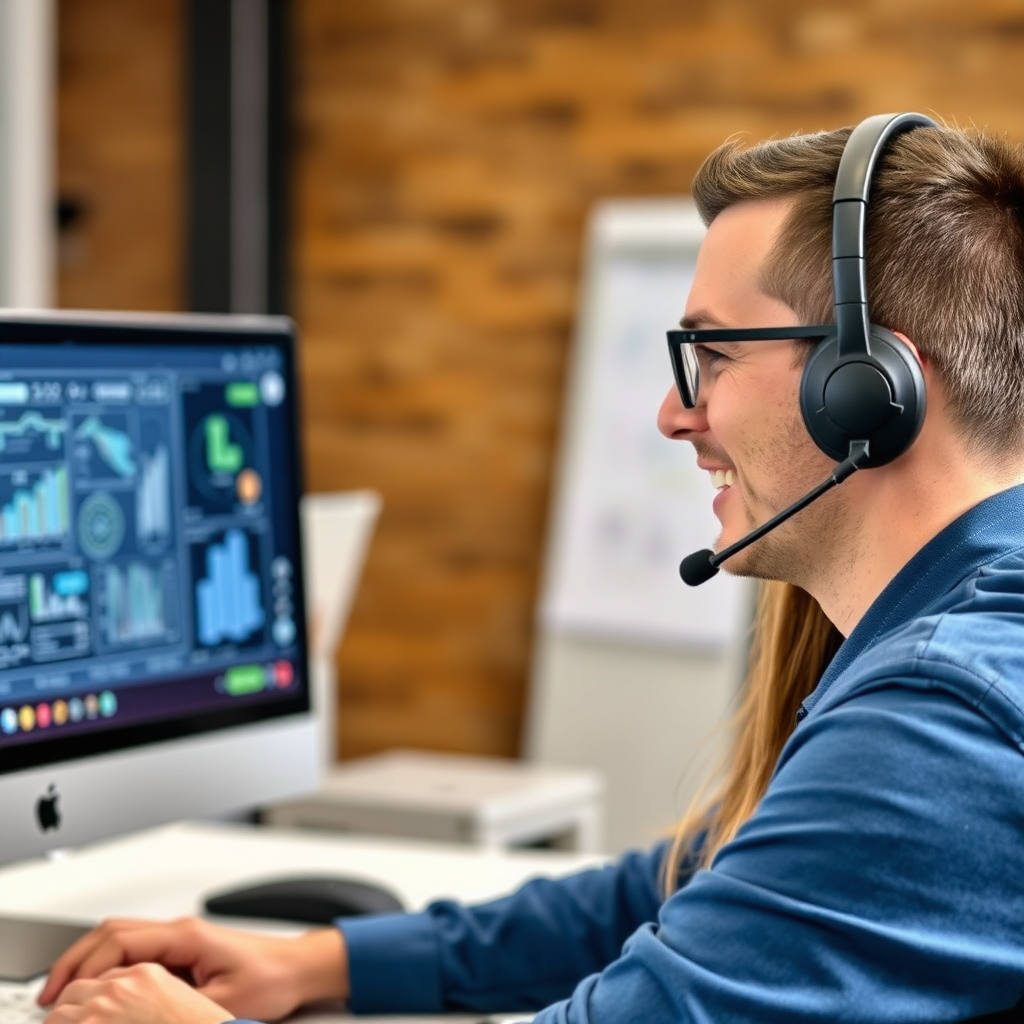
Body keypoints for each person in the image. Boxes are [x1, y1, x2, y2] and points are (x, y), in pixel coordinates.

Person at [37, 114, 1024, 1023]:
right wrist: (321, 962)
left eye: (712, 354)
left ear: (868, 391)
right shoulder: (949, 651)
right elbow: (697, 885)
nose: (674, 414)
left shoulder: (940, 722)